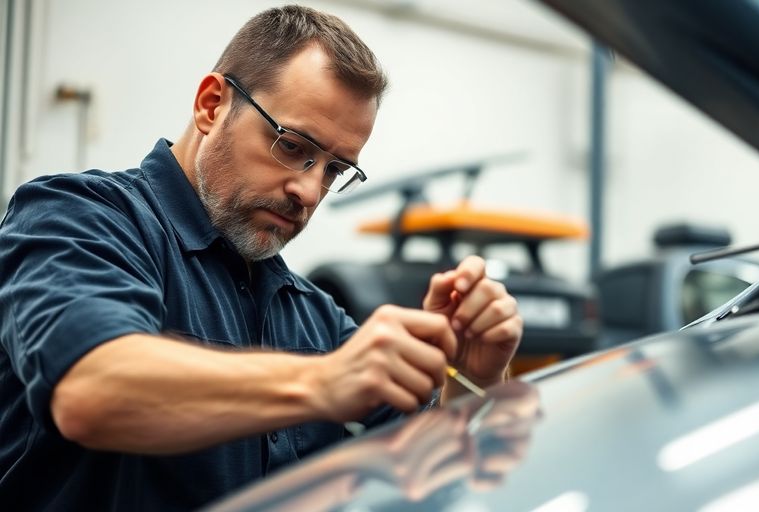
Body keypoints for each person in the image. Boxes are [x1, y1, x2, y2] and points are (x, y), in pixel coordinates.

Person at [0, 5, 522, 510]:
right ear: (211, 105)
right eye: (293, 146)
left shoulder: (310, 314)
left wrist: (468, 380)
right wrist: (322, 382)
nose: (310, 191)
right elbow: (91, 390)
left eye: (334, 170)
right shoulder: (77, 218)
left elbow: (427, 471)